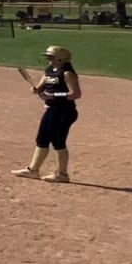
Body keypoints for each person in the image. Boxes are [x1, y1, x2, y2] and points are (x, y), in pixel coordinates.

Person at [14, 46, 83, 183]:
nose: (48, 59)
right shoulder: (49, 71)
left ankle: (62, 174)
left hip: (64, 111)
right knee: (42, 139)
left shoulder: (67, 73)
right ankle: (33, 170)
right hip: (52, 110)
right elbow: (41, 87)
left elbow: (76, 94)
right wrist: (37, 90)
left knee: (58, 141)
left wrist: (54, 95)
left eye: (51, 56)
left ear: (61, 58)